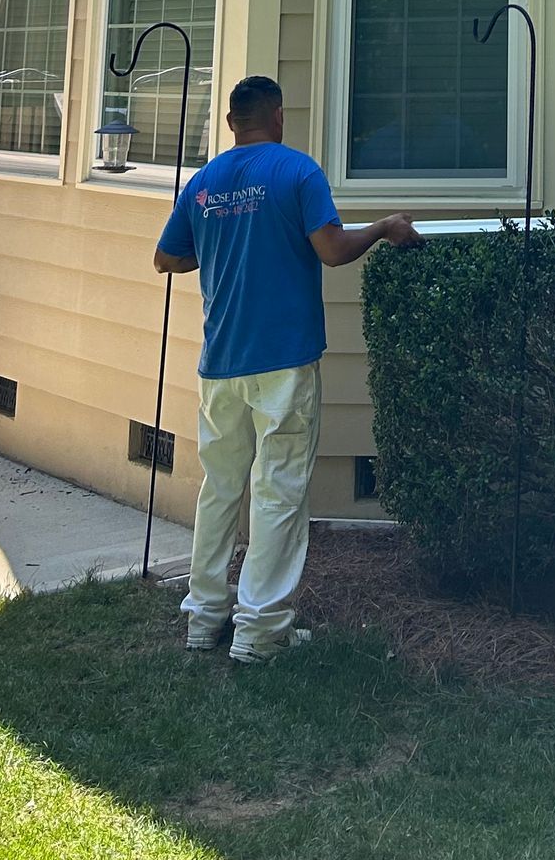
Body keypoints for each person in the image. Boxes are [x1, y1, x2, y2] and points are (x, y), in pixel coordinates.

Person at [154, 72, 420, 663]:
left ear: (231, 123)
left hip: (220, 360)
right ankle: (259, 632)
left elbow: (166, 257)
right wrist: (382, 228)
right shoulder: (297, 172)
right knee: (277, 492)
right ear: (278, 115)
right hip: (283, 361)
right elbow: (331, 250)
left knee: (220, 487)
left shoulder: (202, 183)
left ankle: (203, 618)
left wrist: (222, 241)